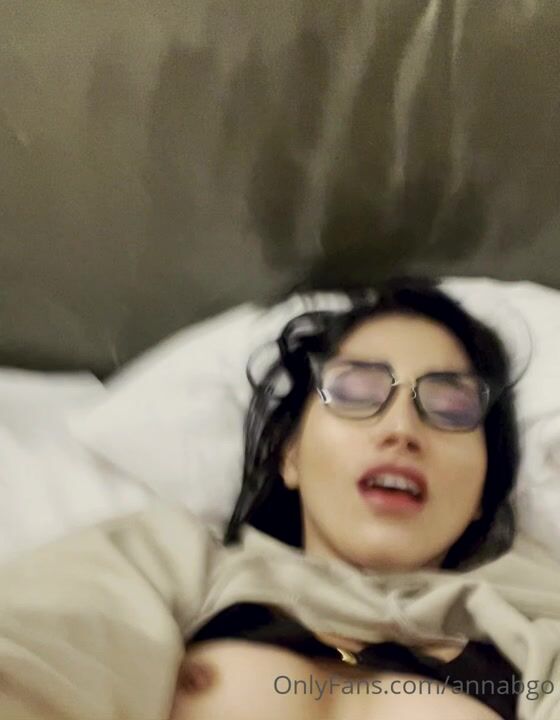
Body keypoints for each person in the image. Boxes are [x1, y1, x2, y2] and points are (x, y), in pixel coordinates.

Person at [0, 277, 559, 720]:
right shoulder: (168, 561)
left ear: (486, 488)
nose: (401, 428)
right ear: (290, 455)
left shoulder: (538, 630)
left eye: (452, 408)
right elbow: (38, 654)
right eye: (355, 391)